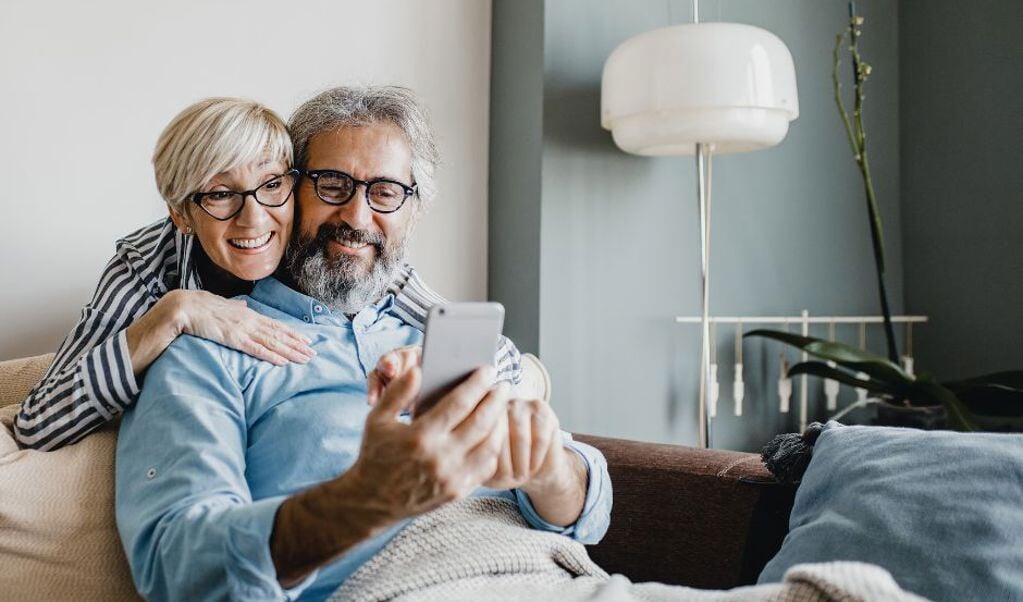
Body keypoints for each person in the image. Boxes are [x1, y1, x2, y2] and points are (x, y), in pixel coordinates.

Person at [114, 86, 612, 601]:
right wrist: (363, 499)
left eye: (386, 192)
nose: (356, 217)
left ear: (412, 210)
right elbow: (177, 568)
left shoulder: (440, 341)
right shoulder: (205, 351)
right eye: (332, 185)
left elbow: (590, 513)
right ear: (289, 190)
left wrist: (546, 465)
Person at [15, 97, 517, 451]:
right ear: (180, 213)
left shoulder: (333, 248)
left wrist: (440, 361)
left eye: (271, 185)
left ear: (294, 185)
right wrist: (174, 312)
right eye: (218, 193)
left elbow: (493, 350)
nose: (253, 219)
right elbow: (38, 422)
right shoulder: (148, 263)